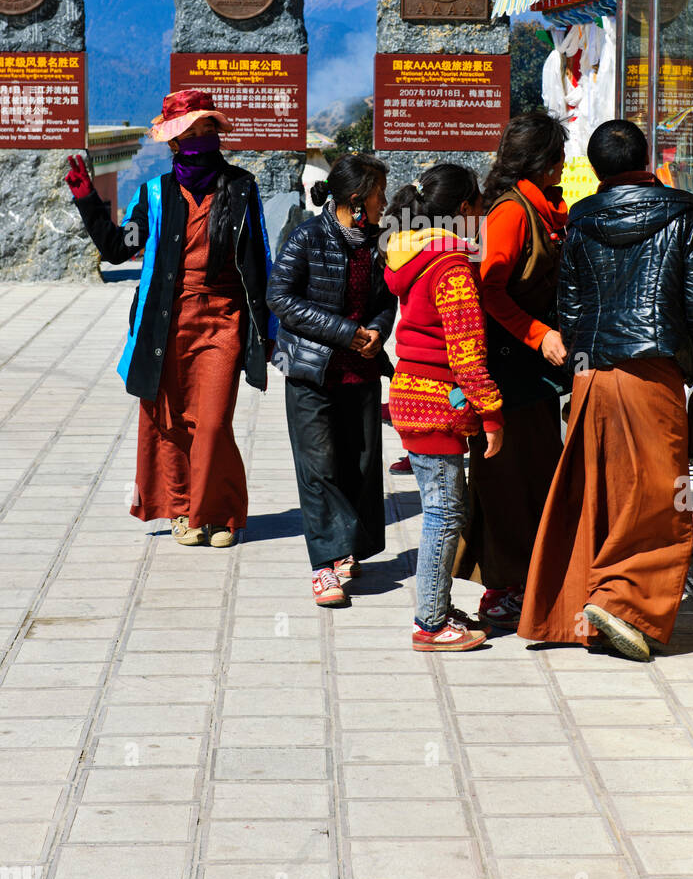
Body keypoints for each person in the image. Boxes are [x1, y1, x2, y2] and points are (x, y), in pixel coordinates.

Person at [517, 119, 693, 660]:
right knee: (658, 495)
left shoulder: (580, 218)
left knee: (598, 491)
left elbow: (570, 305)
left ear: (597, 168)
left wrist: (576, 376)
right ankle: (620, 603)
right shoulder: (682, 213)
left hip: (593, 371)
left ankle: (589, 604)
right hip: (653, 369)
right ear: (645, 156)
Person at [65, 88, 274, 549]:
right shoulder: (155, 194)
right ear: (174, 142)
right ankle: (183, 511)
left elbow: (261, 260)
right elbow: (120, 249)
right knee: (171, 419)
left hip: (223, 320)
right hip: (167, 321)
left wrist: (271, 331)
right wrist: (87, 199)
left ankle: (218, 511)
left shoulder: (241, 188)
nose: (202, 139)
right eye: (191, 132)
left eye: (208, 130)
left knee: (214, 422)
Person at [452, 110, 569, 631]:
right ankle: (502, 589)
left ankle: (520, 579)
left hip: (531, 374)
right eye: (559, 156)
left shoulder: (541, 209)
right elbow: (489, 287)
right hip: (508, 371)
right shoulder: (512, 213)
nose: (564, 165)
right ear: (542, 162)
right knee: (506, 482)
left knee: (531, 477)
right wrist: (538, 333)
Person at [266, 153, 397, 608]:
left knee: (359, 464)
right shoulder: (307, 236)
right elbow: (278, 297)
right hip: (311, 370)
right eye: (380, 192)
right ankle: (324, 566)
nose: (386, 201)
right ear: (358, 199)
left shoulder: (377, 242)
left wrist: (379, 331)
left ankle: (348, 549)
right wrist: (344, 331)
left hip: (360, 369)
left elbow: (386, 298)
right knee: (318, 467)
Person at [385, 164, 503, 650]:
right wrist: (492, 412)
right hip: (437, 400)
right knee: (444, 512)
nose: (481, 215)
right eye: (478, 206)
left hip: (413, 392)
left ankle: (436, 604)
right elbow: (467, 351)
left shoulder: (412, 256)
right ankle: (430, 623)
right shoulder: (451, 266)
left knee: (443, 508)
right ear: (462, 210)